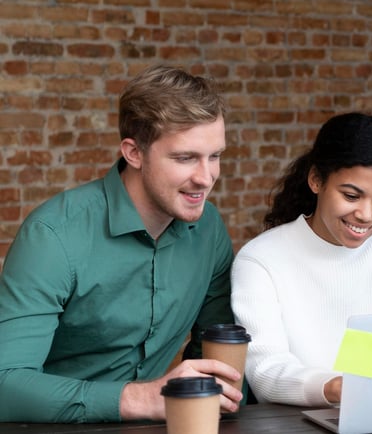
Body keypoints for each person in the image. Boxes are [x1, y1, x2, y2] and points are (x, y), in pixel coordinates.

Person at [0, 65, 241, 423]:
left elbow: (214, 351)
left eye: (215, 156)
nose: (205, 178)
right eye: (185, 157)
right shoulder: (53, 235)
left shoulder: (208, 229)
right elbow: (6, 385)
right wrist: (142, 399)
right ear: (134, 153)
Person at [231, 112, 372, 407]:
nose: (365, 214)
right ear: (316, 180)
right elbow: (265, 371)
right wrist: (333, 388)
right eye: (351, 196)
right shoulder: (261, 259)